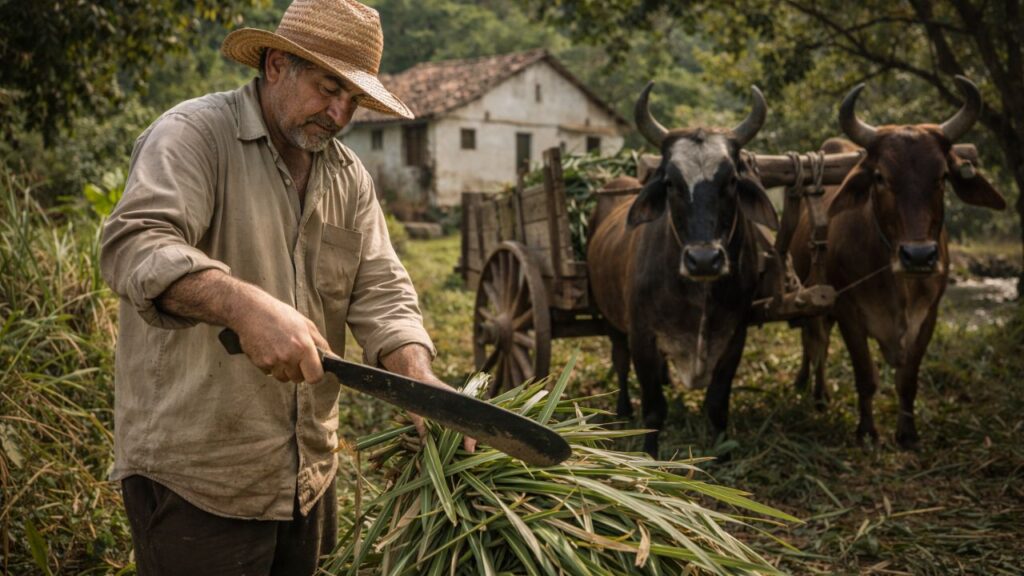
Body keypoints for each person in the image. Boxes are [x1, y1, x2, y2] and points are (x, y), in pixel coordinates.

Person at [99, 0, 471, 573]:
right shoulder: (194, 136)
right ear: (276, 65)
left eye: (353, 100)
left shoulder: (348, 176)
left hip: (308, 476)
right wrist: (241, 305)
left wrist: (419, 380)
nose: (339, 113)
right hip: (200, 478)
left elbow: (382, 290)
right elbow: (135, 244)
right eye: (328, 88)